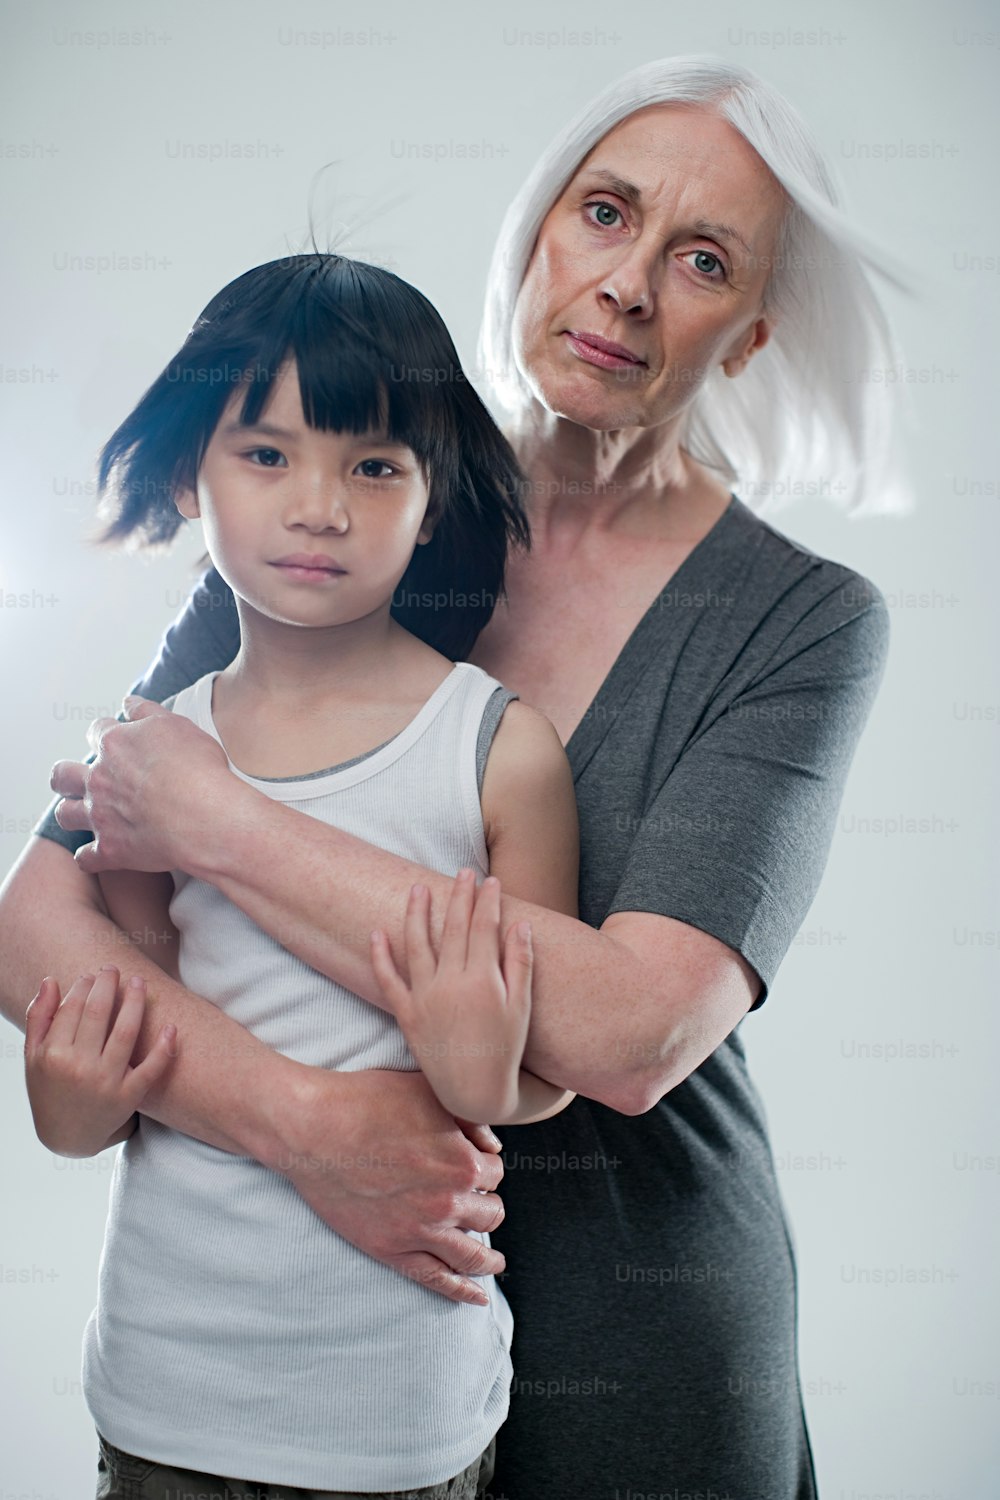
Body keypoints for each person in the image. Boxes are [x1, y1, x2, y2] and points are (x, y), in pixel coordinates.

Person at [1, 55, 902, 1498]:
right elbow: (43, 914)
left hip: (643, 1327)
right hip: (308, 1354)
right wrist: (306, 1127)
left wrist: (224, 827)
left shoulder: (804, 621)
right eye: (604, 215)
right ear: (538, 226)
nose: (624, 286)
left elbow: (626, 1033)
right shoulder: (347, 497)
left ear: (745, 336)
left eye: (702, 261)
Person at [18, 253, 582, 1496]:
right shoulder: (151, 755)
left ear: (432, 500)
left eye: (373, 464)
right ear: (188, 472)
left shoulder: (499, 753)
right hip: (167, 1399)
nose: (318, 504)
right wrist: (64, 1101)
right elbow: (124, 1075)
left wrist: (471, 1048)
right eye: (265, 454)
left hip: (402, 1412)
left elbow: (528, 1089)